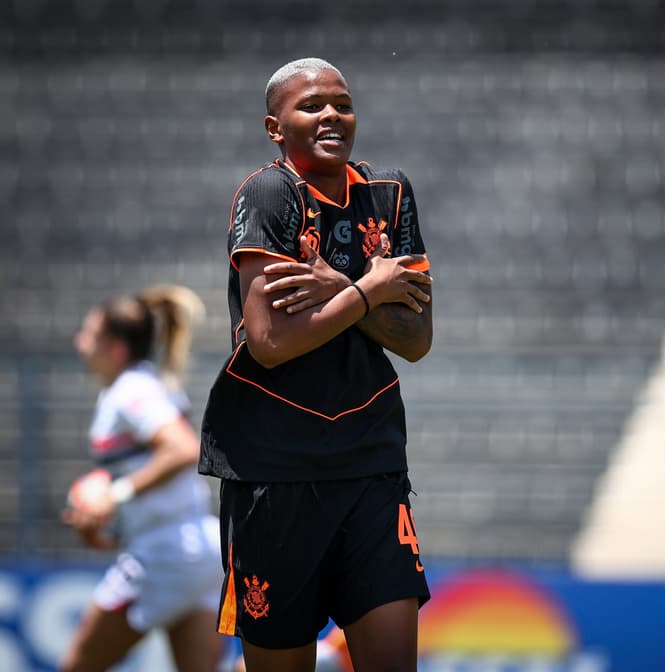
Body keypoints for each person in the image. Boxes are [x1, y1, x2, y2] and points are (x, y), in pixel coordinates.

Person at [199, 57, 434, 671]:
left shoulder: (389, 191)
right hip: (275, 472)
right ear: (275, 127)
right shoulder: (269, 192)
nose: (332, 113)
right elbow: (269, 342)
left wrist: (336, 287)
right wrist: (362, 291)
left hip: (372, 463)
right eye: (311, 105)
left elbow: (415, 338)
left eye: (342, 103)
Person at [61, 285, 225, 672]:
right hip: (199, 551)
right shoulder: (141, 384)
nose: (79, 343)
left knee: (76, 666)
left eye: (89, 334)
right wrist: (105, 518)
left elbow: (183, 448)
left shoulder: (131, 390)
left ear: (116, 348)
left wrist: (112, 496)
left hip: (165, 552)